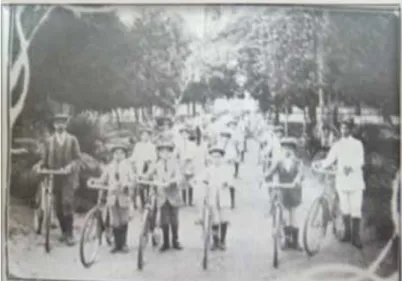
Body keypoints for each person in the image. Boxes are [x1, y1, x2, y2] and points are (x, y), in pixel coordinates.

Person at [316, 119, 365, 249]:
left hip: (355, 181)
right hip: (342, 181)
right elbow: (329, 160)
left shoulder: (358, 144)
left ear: (351, 130)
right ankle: (347, 234)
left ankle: (356, 237)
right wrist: (320, 164)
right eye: (342, 128)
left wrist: (350, 167)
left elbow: (360, 161)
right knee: (345, 207)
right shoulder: (337, 145)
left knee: (356, 208)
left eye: (346, 128)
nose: (344, 130)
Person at [35, 113, 81, 246]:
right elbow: (44, 159)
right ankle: (63, 232)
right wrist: (40, 166)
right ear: (54, 125)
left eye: (62, 123)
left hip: (68, 178)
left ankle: (70, 233)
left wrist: (69, 167)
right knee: (57, 206)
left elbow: (78, 159)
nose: (60, 125)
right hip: (54, 177)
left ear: (66, 125)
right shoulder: (49, 141)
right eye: (57, 123)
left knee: (67, 204)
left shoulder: (72, 140)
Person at [263, 138, 303, 250]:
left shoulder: (298, 162)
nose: (287, 151)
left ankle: (295, 242)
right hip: (283, 190)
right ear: (282, 150)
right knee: (285, 215)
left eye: (290, 149)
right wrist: (264, 178)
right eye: (285, 148)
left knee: (293, 216)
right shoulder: (278, 161)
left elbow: (300, 173)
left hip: (294, 190)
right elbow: (270, 172)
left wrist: (297, 180)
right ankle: (286, 239)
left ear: (294, 151)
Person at [193, 143, 233, 251]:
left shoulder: (226, 169)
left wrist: (226, 183)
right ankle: (215, 241)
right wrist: (196, 181)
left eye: (218, 157)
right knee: (214, 219)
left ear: (222, 158)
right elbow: (200, 177)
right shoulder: (208, 169)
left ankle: (223, 240)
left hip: (223, 196)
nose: (216, 159)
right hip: (212, 196)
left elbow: (230, 180)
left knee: (224, 218)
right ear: (211, 158)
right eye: (214, 157)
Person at [97, 141, 134, 253]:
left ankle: (123, 244)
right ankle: (115, 244)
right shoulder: (109, 167)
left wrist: (127, 185)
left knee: (123, 220)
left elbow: (133, 180)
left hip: (123, 196)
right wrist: (96, 181)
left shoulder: (128, 166)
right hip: (112, 197)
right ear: (113, 155)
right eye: (116, 153)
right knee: (115, 221)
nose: (118, 155)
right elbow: (103, 179)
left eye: (121, 153)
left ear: (124, 155)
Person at [150, 141, 183, 252]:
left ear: (170, 153)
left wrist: (172, 181)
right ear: (158, 153)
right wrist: (142, 176)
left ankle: (175, 241)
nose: (164, 154)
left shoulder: (175, 164)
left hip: (173, 195)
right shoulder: (156, 164)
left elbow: (179, 176)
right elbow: (149, 174)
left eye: (167, 152)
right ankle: (166, 242)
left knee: (174, 220)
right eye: (162, 152)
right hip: (162, 195)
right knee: (164, 220)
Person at [130, 128, 157, 210]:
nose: (144, 137)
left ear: (149, 136)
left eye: (146, 135)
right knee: (139, 185)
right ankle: (141, 202)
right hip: (139, 166)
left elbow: (154, 158)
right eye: (143, 135)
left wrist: (150, 166)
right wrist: (133, 163)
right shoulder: (138, 145)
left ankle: (148, 201)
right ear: (141, 136)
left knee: (148, 184)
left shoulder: (152, 146)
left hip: (148, 166)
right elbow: (134, 157)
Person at [176, 126, 197, 206]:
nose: (184, 136)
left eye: (186, 134)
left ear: (188, 135)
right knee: (183, 183)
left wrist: (186, 161)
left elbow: (192, 155)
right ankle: (184, 201)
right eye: (182, 134)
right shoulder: (179, 144)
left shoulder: (192, 144)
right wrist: (178, 162)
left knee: (190, 183)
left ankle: (190, 201)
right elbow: (176, 154)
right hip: (182, 165)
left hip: (190, 165)